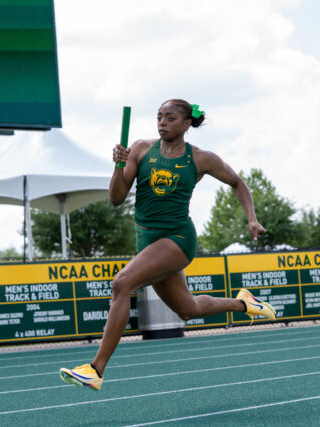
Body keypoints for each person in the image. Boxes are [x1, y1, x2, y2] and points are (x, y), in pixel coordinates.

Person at [59, 99, 277, 391]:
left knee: (121, 283)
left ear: (187, 124)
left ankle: (95, 369)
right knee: (187, 310)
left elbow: (238, 183)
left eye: (170, 118)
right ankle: (244, 303)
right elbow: (116, 198)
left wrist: (251, 219)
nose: (162, 122)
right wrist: (118, 166)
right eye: (159, 117)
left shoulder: (201, 158)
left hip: (177, 240)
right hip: (147, 241)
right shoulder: (140, 149)